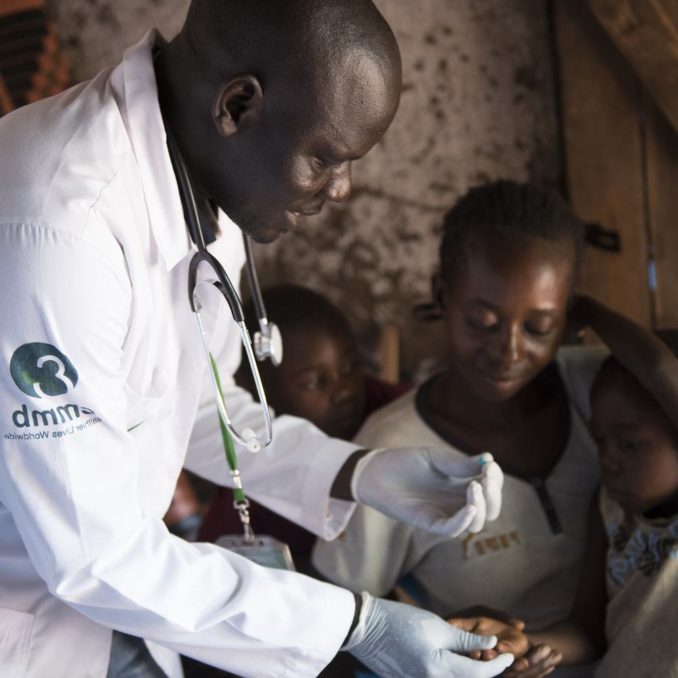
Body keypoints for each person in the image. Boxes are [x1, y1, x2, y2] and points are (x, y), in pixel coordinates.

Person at [0, 2, 512, 677]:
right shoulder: (55, 229)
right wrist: (358, 623)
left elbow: (184, 407)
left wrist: (355, 471)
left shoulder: (204, 173)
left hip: (109, 611)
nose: (344, 189)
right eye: (326, 158)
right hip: (33, 624)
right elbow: (91, 554)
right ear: (238, 105)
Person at [312, 180, 606, 674]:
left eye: (539, 327)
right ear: (441, 295)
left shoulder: (601, 392)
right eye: (483, 321)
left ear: (571, 315)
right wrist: (444, 635)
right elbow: (335, 628)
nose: (509, 349)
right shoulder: (392, 451)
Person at [485, 300, 678, 678]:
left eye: (630, 444)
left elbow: (660, 371)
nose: (609, 460)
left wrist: (584, 308)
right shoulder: (608, 508)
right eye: (600, 440)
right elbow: (588, 631)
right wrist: (527, 646)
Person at [199, 284, 410, 573]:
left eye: (351, 367)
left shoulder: (388, 408)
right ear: (258, 393)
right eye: (314, 382)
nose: (344, 391)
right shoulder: (243, 502)